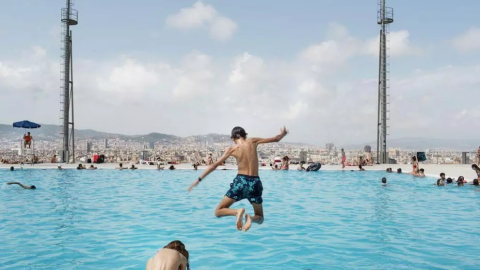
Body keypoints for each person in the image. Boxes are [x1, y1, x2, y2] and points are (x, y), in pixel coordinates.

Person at [188, 126, 288, 232]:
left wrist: (198, 180)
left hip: (241, 182)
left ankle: (236, 212)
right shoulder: (253, 141)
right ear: (245, 135)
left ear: (232, 138)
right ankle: (251, 218)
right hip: (255, 182)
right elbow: (276, 139)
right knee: (260, 217)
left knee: (218, 211)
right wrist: (283, 134)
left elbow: (214, 165)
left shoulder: (232, 149)